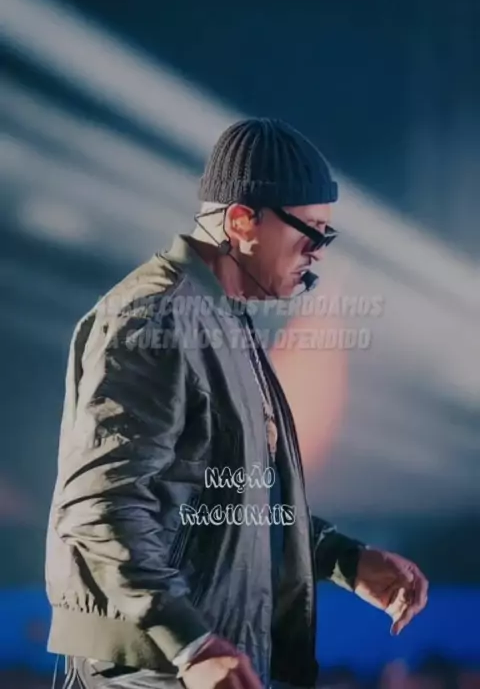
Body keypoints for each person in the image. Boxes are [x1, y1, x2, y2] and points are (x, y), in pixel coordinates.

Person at [45, 118, 428, 689]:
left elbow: (228, 501)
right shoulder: (156, 318)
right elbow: (101, 506)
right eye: (311, 232)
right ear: (242, 221)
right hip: (154, 669)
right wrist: (190, 644)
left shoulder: (221, 320)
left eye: (327, 236)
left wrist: (341, 558)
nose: (318, 253)